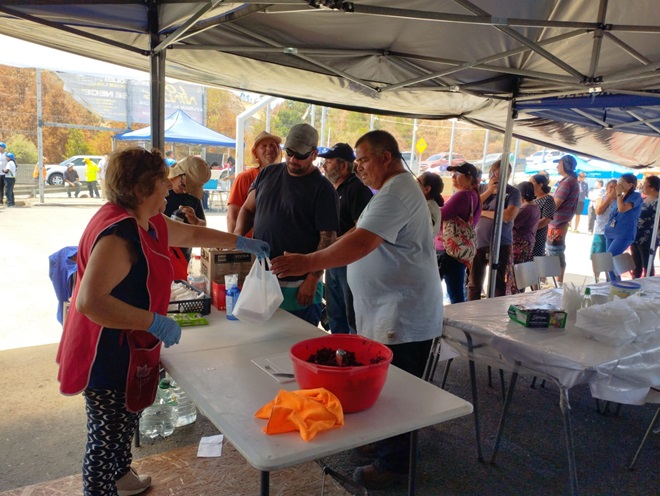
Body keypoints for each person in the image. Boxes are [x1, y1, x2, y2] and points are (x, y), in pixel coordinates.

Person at [55, 148, 268, 496]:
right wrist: (153, 322)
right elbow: (91, 302)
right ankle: (100, 489)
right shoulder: (118, 235)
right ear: (141, 189)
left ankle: (121, 477)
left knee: (125, 419)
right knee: (106, 436)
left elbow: (193, 236)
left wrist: (240, 242)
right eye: (161, 182)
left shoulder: (146, 219)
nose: (169, 188)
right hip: (105, 350)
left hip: (129, 343)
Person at [271, 130, 443, 489]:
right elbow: (356, 231)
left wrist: (309, 262)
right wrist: (320, 253)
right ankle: (384, 443)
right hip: (390, 310)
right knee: (386, 385)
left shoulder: (396, 192)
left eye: (363, 160)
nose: (358, 167)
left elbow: (362, 242)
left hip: (403, 314)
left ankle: (395, 464)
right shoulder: (391, 190)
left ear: (385, 157)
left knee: (398, 393)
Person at [234, 123, 339, 326]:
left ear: (314, 154)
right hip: (262, 277)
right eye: (289, 152)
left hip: (298, 285)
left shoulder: (323, 189)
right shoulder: (267, 173)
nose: (293, 159)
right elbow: (247, 209)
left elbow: (328, 239)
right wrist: (237, 238)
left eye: (300, 155)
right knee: (261, 336)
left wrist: (312, 279)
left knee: (296, 338)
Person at [320, 142, 373, 334]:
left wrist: (337, 242)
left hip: (349, 262)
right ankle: (338, 347)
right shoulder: (332, 189)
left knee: (351, 316)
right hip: (332, 259)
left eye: (329, 162)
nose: (324, 166)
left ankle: (352, 349)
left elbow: (362, 225)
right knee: (334, 313)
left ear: (343, 166)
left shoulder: (357, 189)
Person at [467, 159, 521, 300]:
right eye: (494, 174)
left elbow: (509, 215)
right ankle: (471, 309)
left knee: (498, 282)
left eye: (502, 175)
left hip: (501, 243)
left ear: (508, 176)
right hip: (478, 241)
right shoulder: (481, 188)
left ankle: (494, 309)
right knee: (474, 283)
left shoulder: (513, 192)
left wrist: (483, 212)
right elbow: (471, 207)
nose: (497, 178)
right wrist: (489, 191)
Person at [436, 162, 482, 304]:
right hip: (459, 251)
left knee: (436, 292)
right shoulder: (474, 195)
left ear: (469, 178)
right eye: (452, 174)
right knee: (456, 293)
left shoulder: (462, 195)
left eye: (457, 174)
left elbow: (439, 215)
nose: (453, 177)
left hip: (448, 251)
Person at [164, 156, 211, 278]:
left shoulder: (192, 196)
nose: (185, 191)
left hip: (182, 254)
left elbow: (203, 224)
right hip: (159, 251)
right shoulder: (159, 191)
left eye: (191, 189)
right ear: (177, 173)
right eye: (184, 186)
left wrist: (195, 220)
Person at [226, 131, 282, 233]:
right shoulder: (244, 178)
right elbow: (232, 216)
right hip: (249, 241)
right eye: (264, 146)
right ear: (255, 153)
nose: (269, 149)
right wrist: (233, 240)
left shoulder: (286, 177)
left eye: (272, 145)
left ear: (278, 150)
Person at [546, 155, 580, 284]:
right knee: (555, 252)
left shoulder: (567, 182)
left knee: (555, 252)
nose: (557, 167)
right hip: (560, 223)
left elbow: (556, 203)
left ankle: (558, 282)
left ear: (565, 166)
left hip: (557, 223)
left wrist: (544, 213)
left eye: (559, 164)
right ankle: (557, 281)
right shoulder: (571, 180)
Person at [603, 173, 643, 279]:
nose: (618, 185)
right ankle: (613, 283)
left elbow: (622, 208)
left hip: (624, 233)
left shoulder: (636, 196)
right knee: (609, 260)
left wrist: (619, 195)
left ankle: (616, 284)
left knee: (610, 257)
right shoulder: (620, 196)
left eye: (621, 182)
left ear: (630, 185)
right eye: (618, 182)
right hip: (611, 230)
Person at [506, 181, 540, 294]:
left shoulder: (526, 209)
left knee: (515, 275)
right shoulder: (535, 206)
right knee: (521, 275)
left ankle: (513, 298)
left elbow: (511, 222)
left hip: (520, 245)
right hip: (528, 244)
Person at [631, 176, 660, 278]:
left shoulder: (657, 202)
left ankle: (648, 284)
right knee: (635, 264)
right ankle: (635, 283)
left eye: (645, 185)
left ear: (652, 187)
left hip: (648, 237)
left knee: (647, 263)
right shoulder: (642, 200)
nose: (642, 187)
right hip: (636, 234)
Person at [530, 174, 555, 257]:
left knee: (535, 258)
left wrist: (530, 228)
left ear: (540, 185)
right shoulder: (533, 198)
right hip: (528, 234)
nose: (529, 184)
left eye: (531, 182)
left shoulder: (548, 199)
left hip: (538, 235)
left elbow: (546, 220)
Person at [591, 180, 617, 256]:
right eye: (611, 187)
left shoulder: (620, 200)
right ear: (606, 188)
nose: (613, 189)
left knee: (609, 256)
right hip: (601, 231)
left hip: (613, 233)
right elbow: (598, 211)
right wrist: (609, 198)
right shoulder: (602, 198)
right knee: (598, 256)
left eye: (615, 187)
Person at [418, 171, 443, 236]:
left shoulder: (430, 207)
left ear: (427, 189)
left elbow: (423, 228)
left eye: (417, 182)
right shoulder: (427, 204)